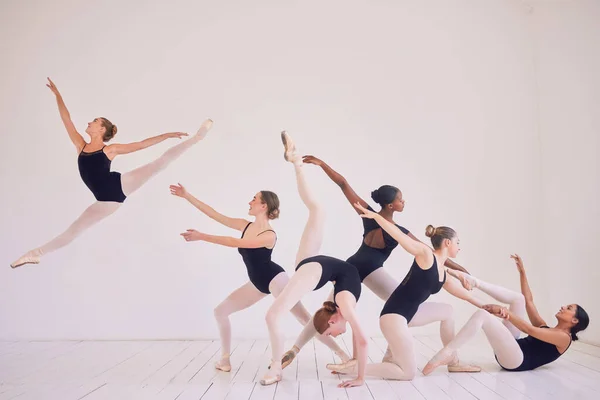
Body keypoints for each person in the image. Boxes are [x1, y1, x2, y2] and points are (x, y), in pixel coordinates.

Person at [11, 78, 212, 268]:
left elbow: (141, 145)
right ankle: (34, 254)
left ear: (101, 129)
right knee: (72, 232)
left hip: (119, 185)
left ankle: (196, 138)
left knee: (158, 164)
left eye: (94, 121)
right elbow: (66, 119)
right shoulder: (80, 145)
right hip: (104, 202)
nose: (89, 123)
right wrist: (58, 95)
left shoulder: (110, 149)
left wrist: (166, 135)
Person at [423, 254, 590, 374]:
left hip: (516, 361)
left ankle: (446, 353)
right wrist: (522, 273)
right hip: (512, 347)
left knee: (482, 315)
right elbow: (528, 301)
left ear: (575, 320)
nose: (563, 307)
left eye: (568, 308)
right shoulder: (549, 329)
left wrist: (506, 314)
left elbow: (530, 330)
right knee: (518, 299)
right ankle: (475, 282)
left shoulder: (563, 337)